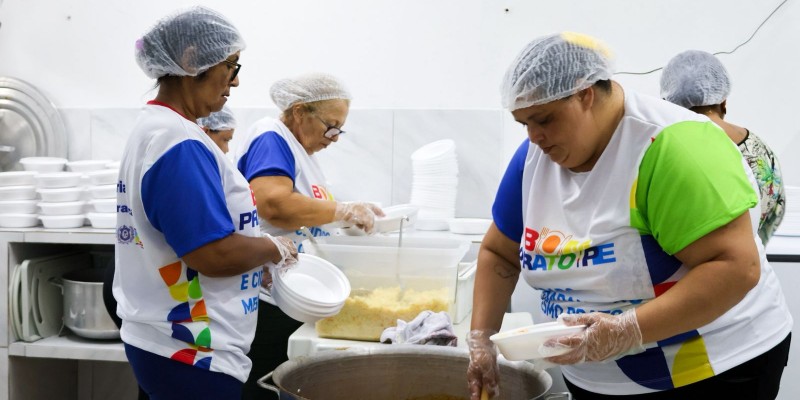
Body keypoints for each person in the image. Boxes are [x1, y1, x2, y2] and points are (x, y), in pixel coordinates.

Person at [467, 32, 792, 400]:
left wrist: (626, 331)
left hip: (711, 367)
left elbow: (736, 268)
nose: (534, 137)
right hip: (597, 375)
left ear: (585, 94)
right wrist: (482, 339)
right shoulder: (533, 159)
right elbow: (499, 253)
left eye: (543, 119)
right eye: (524, 123)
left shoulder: (671, 145)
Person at [112, 6, 296, 399]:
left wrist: (252, 263)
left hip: (174, 342)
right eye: (231, 65)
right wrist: (273, 247)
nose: (236, 80)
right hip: (191, 349)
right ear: (191, 60)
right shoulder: (178, 141)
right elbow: (211, 254)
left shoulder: (162, 129)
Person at [233, 72, 384, 399]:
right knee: (263, 385)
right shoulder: (272, 137)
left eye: (339, 129)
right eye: (331, 126)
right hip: (268, 297)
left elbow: (306, 213)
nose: (335, 137)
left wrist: (350, 214)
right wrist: (342, 210)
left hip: (296, 293)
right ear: (300, 111)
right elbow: (273, 204)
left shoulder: (302, 154)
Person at [660, 50, 785, 245]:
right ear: (724, 101)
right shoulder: (759, 150)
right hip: (754, 258)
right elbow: (775, 212)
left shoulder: (666, 150)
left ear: (669, 102)